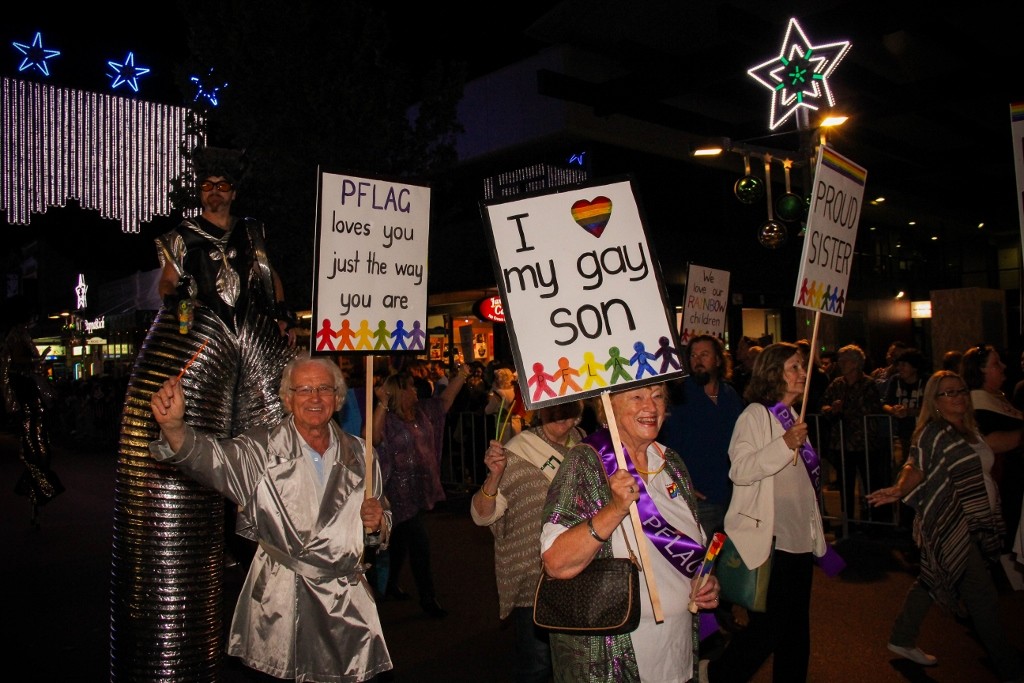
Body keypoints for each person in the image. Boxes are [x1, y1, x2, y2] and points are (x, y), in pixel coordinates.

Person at [111, 146, 299, 679]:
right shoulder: (181, 235)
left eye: (222, 185)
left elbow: (271, 280)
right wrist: (179, 294)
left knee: (269, 460)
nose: (214, 192)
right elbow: (168, 283)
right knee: (180, 453)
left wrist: (282, 314)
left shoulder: (252, 233)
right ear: (201, 190)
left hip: (253, 352)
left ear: (233, 191)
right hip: (201, 350)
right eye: (208, 184)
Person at [148, 353, 393, 682]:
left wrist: (378, 524)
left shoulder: (362, 455)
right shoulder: (261, 449)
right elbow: (211, 460)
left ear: (338, 399)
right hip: (284, 602)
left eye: (324, 389)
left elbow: (377, 524)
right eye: (303, 390)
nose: (315, 398)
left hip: (347, 605)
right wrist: (175, 428)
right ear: (287, 399)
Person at [540, 382, 721, 682]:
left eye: (658, 396)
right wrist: (614, 509)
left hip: (676, 653)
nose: (650, 406)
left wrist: (706, 580)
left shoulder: (671, 462)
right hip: (614, 657)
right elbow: (555, 562)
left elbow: (693, 551)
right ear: (608, 406)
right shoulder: (585, 462)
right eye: (637, 396)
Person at [866, 371, 1024, 680]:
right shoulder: (934, 433)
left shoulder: (971, 431)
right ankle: (1009, 666)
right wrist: (900, 488)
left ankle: (902, 637)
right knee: (982, 595)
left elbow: (1005, 444)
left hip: (976, 521)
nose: (958, 396)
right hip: (951, 524)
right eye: (949, 393)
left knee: (933, 574)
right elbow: (917, 465)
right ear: (934, 402)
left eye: (961, 390)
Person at [705, 342, 828, 683]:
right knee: (769, 630)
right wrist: (784, 444)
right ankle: (717, 674)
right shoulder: (755, 415)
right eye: (794, 367)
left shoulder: (794, 419)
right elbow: (741, 470)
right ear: (773, 372)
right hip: (772, 542)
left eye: (803, 367)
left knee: (796, 633)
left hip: (799, 541)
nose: (803, 373)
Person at [471, 400, 586, 683]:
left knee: (580, 663)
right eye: (553, 408)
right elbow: (482, 516)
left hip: (582, 570)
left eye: (568, 409)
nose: (561, 416)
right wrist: (494, 478)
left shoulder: (587, 447)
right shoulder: (518, 451)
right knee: (537, 665)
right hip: (535, 578)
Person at [372, 362, 470, 618]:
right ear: (400, 393)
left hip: (419, 487)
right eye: (410, 387)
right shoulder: (388, 421)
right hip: (396, 492)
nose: (415, 391)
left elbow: (446, 401)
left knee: (400, 540)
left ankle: (390, 584)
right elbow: (371, 438)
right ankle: (428, 599)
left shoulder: (423, 412)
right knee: (419, 543)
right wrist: (381, 403)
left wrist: (461, 376)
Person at [962, 344, 1024, 551]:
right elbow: (989, 443)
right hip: (1006, 483)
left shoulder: (997, 397)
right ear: (981, 371)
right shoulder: (979, 403)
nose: (1003, 367)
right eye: (996, 363)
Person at [2, 320, 64, 524]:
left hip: (28, 396)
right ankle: (40, 490)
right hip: (25, 396)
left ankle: (38, 494)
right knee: (33, 446)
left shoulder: (20, 336)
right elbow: (14, 364)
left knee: (37, 445)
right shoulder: (15, 338)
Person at [820, 344, 887, 527]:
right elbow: (824, 405)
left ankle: (874, 520)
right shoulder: (837, 384)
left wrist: (845, 409)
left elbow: (871, 408)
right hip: (842, 442)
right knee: (845, 484)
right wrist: (831, 410)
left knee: (870, 481)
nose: (842, 364)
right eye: (840, 360)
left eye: (846, 360)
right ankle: (847, 519)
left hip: (863, 441)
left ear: (857, 363)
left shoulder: (868, 384)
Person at [882, 347, 927, 461]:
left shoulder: (926, 382)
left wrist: (909, 411)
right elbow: (885, 403)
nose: (899, 368)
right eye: (899, 365)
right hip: (901, 434)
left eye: (904, 365)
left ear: (915, 367)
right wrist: (893, 410)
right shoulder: (895, 380)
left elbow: (932, 407)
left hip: (924, 433)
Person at [484, 367, 528, 442]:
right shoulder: (515, 391)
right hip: (516, 422)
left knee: (504, 447)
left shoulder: (498, 394)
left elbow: (488, 410)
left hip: (503, 424)